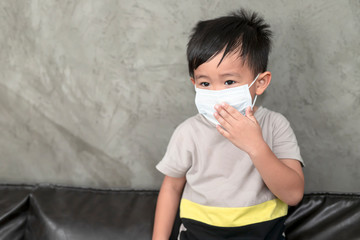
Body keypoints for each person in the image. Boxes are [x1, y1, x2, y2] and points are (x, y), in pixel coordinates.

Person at [153, 8, 304, 240]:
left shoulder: (275, 125)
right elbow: (172, 188)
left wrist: (256, 146)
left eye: (229, 81)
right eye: (205, 83)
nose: (216, 92)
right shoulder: (188, 132)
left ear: (260, 83)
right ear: (193, 83)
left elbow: (293, 195)